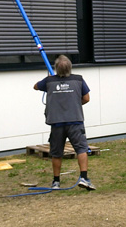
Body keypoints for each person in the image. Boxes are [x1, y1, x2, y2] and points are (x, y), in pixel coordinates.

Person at [34, 55, 95, 191]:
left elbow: (35, 87)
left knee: (56, 152)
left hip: (57, 123)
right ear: (70, 68)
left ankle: (56, 182)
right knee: (81, 149)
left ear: (56, 68)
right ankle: (84, 177)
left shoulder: (49, 82)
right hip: (75, 121)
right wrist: (75, 104)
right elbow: (86, 98)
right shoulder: (78, 80)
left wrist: (50, 79)